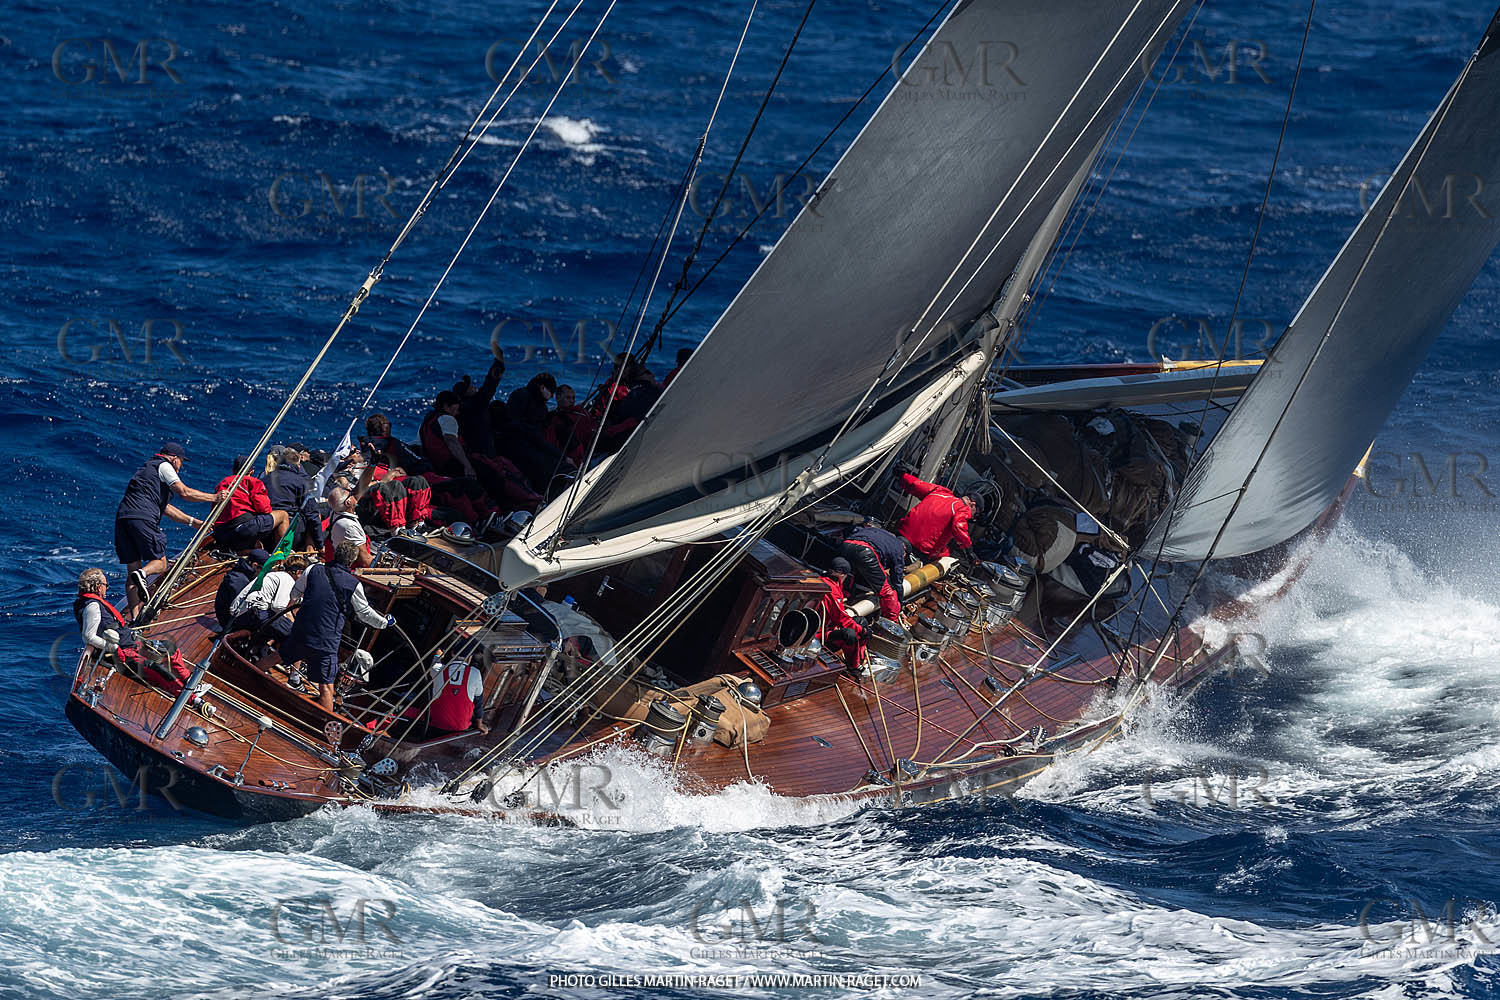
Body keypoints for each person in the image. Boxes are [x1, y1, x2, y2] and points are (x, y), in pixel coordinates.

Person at [114, 441, 226, 617]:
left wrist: (194, 522)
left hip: (123, 519)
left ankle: (135, 618)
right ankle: (142, 574)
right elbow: (184, 492)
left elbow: (165, 508)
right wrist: (214, 497)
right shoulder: (165, 466)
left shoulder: (145, 471)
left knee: (132, 570)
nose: (181, 466)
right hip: (143, 517)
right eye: (181, 461)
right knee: (160, 563)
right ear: (174, 459)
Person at [283, 541, 393, 712]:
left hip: (301, 630)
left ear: (335, 554)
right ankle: (323, 725)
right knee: (327, 688)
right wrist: (385, 623)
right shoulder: (353, 584)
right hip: (326, 642)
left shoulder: (313, 569)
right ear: (352, 561)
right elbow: (365, 614)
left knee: (277, 656)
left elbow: (294, 594)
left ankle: (247, 679)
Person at [895, 470, 977, 563]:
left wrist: (902, 475)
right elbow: (959, 527)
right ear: (972, 504)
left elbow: (916, 485)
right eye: (975, 513)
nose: (972, 517)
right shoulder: (962, 508)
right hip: (920, 549)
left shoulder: (941, 492)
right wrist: (969, 550)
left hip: (902, 532)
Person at [212, 456, 291, 552]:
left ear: (233, 471)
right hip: (242, 528)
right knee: (283, 515)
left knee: (257, 545)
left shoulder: (221, 484)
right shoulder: (253, 482)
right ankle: (283, 555)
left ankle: (241, 552)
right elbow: (264, 509)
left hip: (221, 533)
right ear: (252, 472)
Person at [229, 553, 307, 644]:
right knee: (294, 635)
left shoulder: (275, 574)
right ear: (298, 572)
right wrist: (292, 623)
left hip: (239, 614)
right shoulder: (288, 579)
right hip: (253, 613)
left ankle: (247, 636)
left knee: (280, 628)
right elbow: (279, 607)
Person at [839, 521, 908, 622]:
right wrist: (900, 605)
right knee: (887, 592)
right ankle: (890, 624)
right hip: (865, 552)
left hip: (846, 545)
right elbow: (897, 581)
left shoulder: (881, 534)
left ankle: (838, 601)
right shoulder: (899, 550)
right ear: (905, 551)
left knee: (845, 578)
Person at [265, 447, 324, 552]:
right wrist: (320, 545)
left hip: (266, 532)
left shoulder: (264, 479)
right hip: (292, 535)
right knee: (314, 514)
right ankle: (310, 550)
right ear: (297, 466)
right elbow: (313, 515)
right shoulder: (300, 482)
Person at [818, 558, 866, 672]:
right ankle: (853, 666)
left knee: (860, 621)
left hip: (827, 627)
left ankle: (860, 658)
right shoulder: (831, 590)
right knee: (851, 634)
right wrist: (862, 630)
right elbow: (841, 618)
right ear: (843, 575)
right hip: (820, 636)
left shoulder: (824, 581)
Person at [425, 647, 487, 733]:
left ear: (452, 654)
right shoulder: (475, 673)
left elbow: (435, 664)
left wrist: (437, 655)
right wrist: (479, 724)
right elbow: (478, 702)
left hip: (436, 723)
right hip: (460, 727)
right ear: (469, 658)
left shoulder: (438, 670)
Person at [75, 568, 128, 655]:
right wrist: (114, 648)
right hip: (122, 651)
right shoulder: (92, 606)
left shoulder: (87, 602)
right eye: (106, 585)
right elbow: (89, 637)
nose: (106, 588)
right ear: (99, 587)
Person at [215, 548, 268, 632]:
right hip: (230, 621)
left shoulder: (247, 575)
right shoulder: (238, 580)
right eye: (265, 570)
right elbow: (242, 608)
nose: (265, 573)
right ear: (255, 565)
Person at [322, 486, 372, 568]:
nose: (355, 495)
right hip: (353, 572)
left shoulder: (335, 512)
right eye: (351, 494)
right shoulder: (349, 526)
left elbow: (362, 485)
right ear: (348, 502)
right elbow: (365, 561)